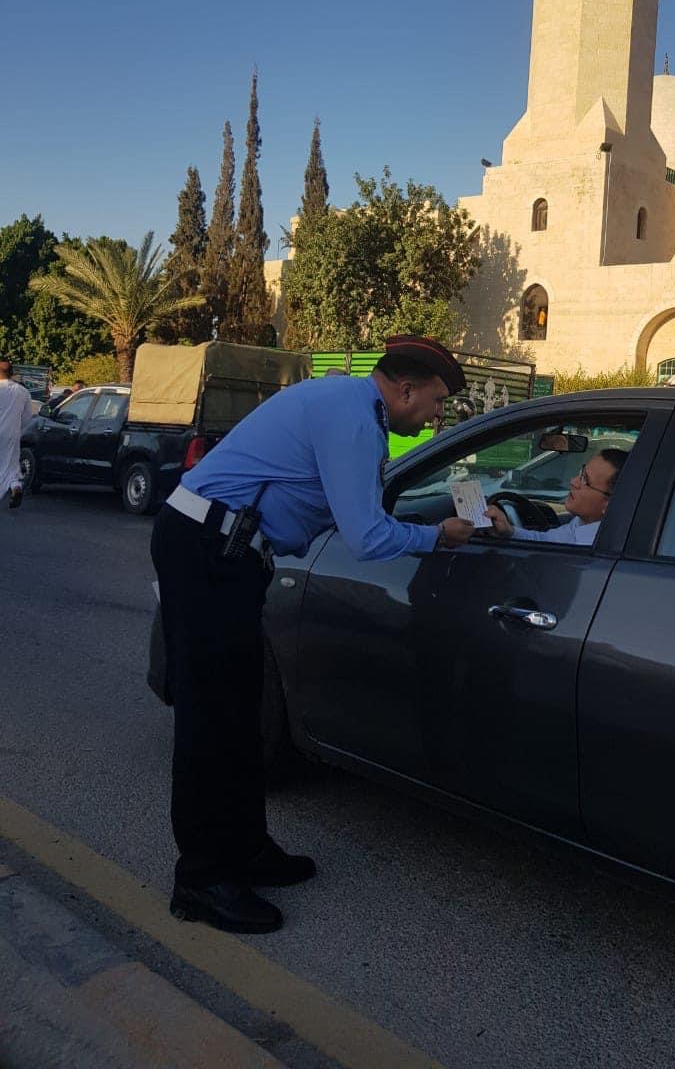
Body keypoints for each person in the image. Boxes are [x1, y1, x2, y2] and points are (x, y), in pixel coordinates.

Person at [150, 335, 475, 935]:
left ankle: (246, 850)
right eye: (436, 402)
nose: (436, 416)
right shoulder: (353, 419)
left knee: (241, 713)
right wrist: (437, 536)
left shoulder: (352, 408)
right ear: (406, 389)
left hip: (228, 553)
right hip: (206, 550)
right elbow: (367, 537)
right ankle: (201, 879)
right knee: (211, 719)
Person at [484, 448, 628, 545]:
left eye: (585, 480)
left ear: (609, 503)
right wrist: (509, 531)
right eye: (581, 473)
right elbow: (546, 541)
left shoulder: (595, 551)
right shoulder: (581, 524)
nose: (573, 481)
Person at [0, 358, 34, 510]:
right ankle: (15, 487)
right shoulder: (22, 391)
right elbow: (27, 417)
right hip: (12, 435)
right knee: (11, 466)